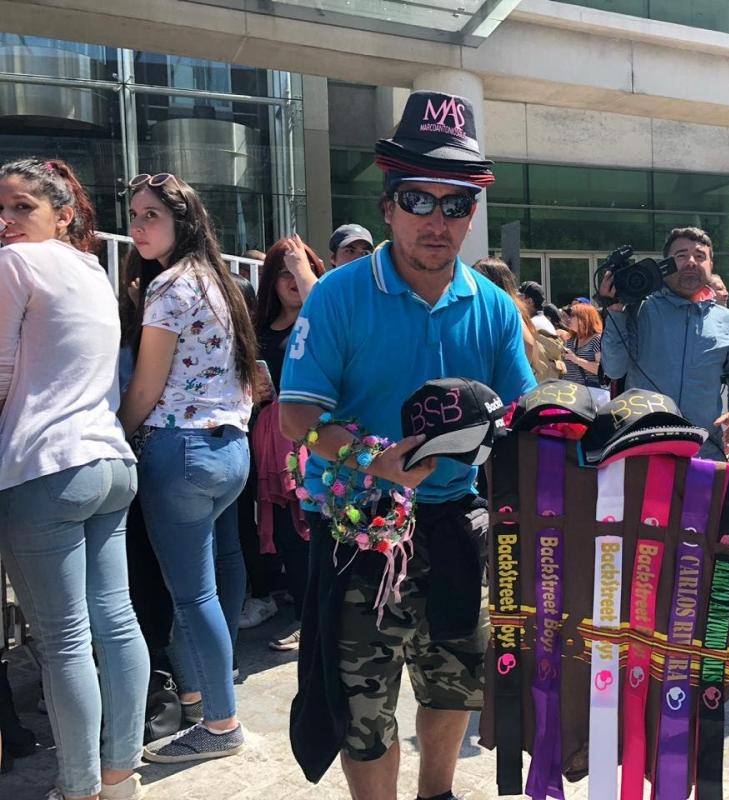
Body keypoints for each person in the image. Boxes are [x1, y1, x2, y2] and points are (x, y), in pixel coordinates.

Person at [280, 89, 536, 800]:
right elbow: (296, 417)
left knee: (453, 682)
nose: (437, 220)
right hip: (358, 531)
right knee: (362, 709)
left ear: (472, 214)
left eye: (456, 203)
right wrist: (371, 458)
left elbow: (521, 415)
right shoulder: (339, 295)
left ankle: (438, 793)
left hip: (453, 523)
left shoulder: (492, 306)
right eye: (419, 200)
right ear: (388, 207)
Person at [0, 157, 149, 800]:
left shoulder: (15, 264)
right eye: (1, 208)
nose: (6, 220)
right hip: (108, 461)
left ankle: (80, 786)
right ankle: (119, 775)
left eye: (21, 207)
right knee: (116, 622)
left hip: (43, 466)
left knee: (64, 642)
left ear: (63, 215)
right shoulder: (92, 270)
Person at [118, 172, 257, 762]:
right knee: (214, 580)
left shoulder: (170, 286)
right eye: (134, 214)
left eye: (151, 214)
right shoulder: (217, 281)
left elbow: (146, 387)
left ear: (184, 220)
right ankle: (204, 698)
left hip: (181, 452)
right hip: (230, 451)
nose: (138, 226)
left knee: (193, 596)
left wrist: (116, 434)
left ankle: (219, 722)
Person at [599, 226, 729, 459]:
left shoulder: (728, 320)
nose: (691, 262)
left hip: (704, 453)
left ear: (711, 265)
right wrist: (615, 310)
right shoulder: (639, 310)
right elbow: (613, 369)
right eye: (681, 255)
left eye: (700, 256)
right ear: (666, 264)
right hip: (644, 450)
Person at [249, 235, 325, 651]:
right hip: (270, 445)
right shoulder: (259, 331)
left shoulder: (319, 318)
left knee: (310, 528)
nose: (292, 281)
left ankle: (313, 615)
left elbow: (327, 311)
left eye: (299, 270)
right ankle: (301, 610)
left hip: (317, 439)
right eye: (283, 274)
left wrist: (304, 271)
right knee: (284, 530)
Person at [562, 302, 603, 388]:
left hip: (589, 391)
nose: (569, 319)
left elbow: (600, 369)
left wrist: (576, 360)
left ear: (584, 319)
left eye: (572, 316)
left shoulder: (596, 339)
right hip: (569, 391)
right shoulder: (570, 340)